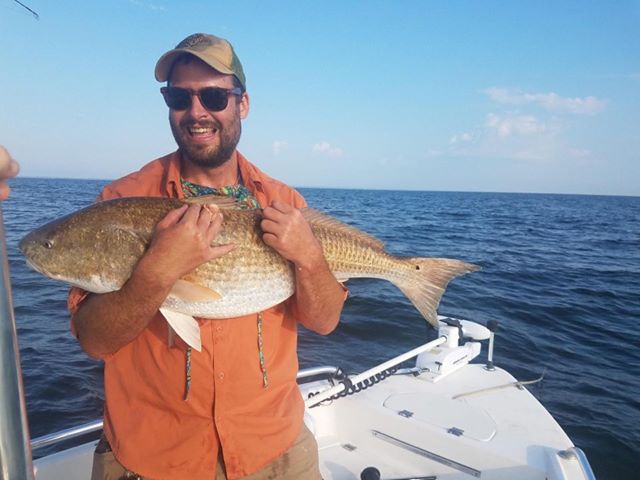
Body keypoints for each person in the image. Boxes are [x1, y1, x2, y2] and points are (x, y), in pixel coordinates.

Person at [68, 33, 346, 479]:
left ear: (243, 104)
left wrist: (311, 257)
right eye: (179, 97)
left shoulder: (284, 201)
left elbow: (325, 320)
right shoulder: (120, 201)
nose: (196, 112)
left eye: (214, 96)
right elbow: (95, 341)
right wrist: (158, 269)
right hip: (155, 458)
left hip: (276, 451)